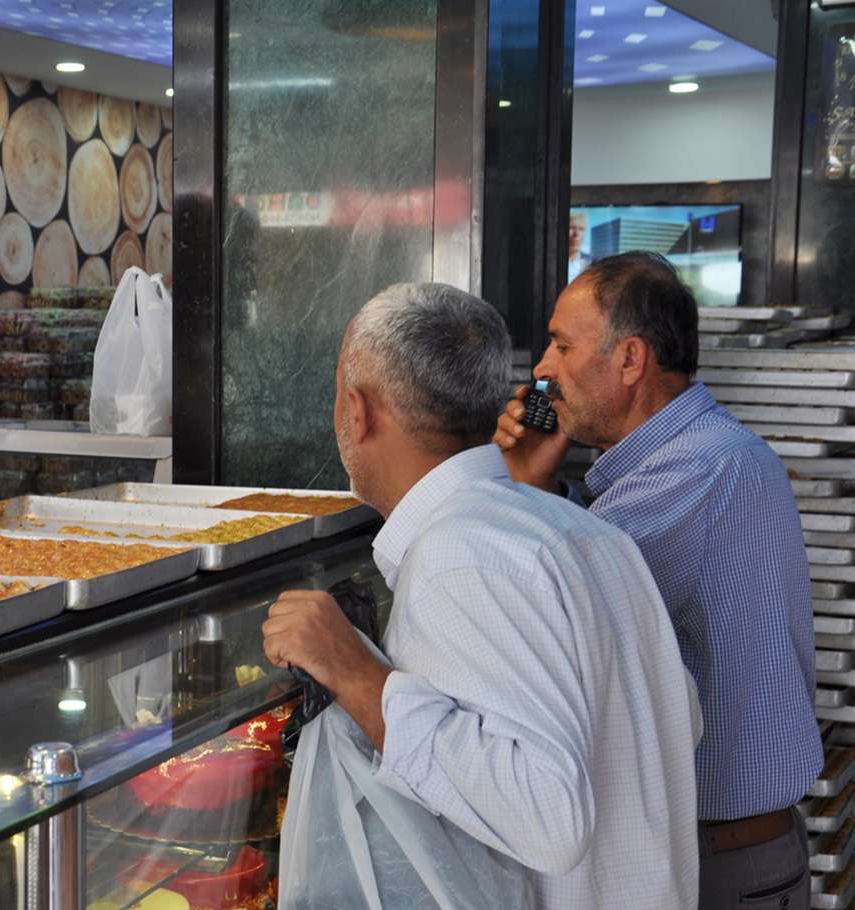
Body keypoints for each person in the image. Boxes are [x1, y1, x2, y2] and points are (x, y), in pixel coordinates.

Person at [263, 283, 700, 908]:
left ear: (358, 411)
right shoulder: (583, 530)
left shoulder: (459, 555)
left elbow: (550, 819)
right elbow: (680, 718)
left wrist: (357, 676)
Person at [493, 251, 821, 910]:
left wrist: (517, 490)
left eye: (562, 345)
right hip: (727, 853)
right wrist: (538, 489)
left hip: (718, 866)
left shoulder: (694, 473)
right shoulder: (704, 457)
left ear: (630, 359)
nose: (543, 369)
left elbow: (542, 612)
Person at [567, 211, 593, 281]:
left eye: (581, 229)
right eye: (572, 228)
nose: (576, 234)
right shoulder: (551, 261)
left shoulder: (592, 263)